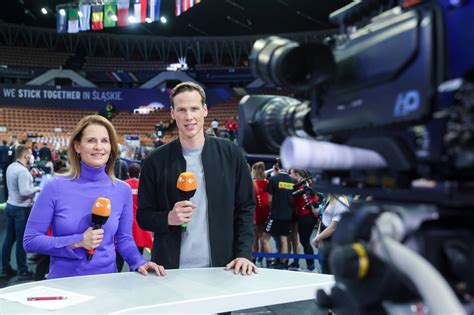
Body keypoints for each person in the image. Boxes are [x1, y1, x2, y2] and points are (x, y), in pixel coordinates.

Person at [23, 115, 165, 279]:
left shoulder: (122, 190)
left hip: (106, 285)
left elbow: (124, 239)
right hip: (63, 286)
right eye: (91, 140)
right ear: (77, 146)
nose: (99, 147)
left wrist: (139, 262)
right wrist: (78, 241)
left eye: (105, 141)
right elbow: (31, 241)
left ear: (111, 147)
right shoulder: (55, 187)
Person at [137, 81, 257, 275]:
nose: (189, 116)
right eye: (182, 110)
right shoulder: (154, 160)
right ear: (172, 113)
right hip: (168, 271)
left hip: (223, 267)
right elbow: (143, 217)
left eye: (194, 108)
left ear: (205, 110)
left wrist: (243, 253)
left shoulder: (230, 153)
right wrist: (169, 217)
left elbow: (246, 208)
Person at [1, 145, 41, 278]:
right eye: (30, 154)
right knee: (21, 240)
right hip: (21, 209)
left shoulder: (12, 167)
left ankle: (5, 267)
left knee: (9, 239)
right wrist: (37, 188)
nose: (31, 157)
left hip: (11, 206)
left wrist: (30, 176)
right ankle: (23, 269)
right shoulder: (23, 171)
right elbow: (24, 192)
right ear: (25, 155)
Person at [116, 163, 153, 272]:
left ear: (128, 173)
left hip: (124, 225)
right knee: (138, 261)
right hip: (140, 226)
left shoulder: (123, 185)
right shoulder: (144, 186)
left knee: (119, 258)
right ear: (140, 173)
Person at [262, 159, 295, 269]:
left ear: (277, 166)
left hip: (275, 214)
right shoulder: (292, 180)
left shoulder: (273, 179)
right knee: (284, 239)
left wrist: (273, 209)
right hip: (287, 214)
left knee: (264, 239)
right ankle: (283, 263)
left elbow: (269, 200)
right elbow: (292, 198)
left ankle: (270, 262)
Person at [290, 169, 320, 272]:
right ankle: (310, 266)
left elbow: (294, 202)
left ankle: (311, 267)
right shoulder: (307, 184)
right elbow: (315, 198)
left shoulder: (302, 186)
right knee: (305, 241)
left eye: (292, 173)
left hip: (305, 217)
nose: (290, 175)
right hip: (309, 216)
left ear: (297, 174)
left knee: (305, 241)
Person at [312, 194, 349, 274]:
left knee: (330, 271)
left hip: (333, 240)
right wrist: (319, 236)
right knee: (324, 267)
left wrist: (317, 238)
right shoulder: (329, 199)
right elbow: (323, 220)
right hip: (325, 238)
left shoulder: (341, 201)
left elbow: (333, 227)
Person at [251, 161, 272, 267]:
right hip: (265, 212)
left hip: (256, 213)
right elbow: (269, 200)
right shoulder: (267, 182)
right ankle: (262, 259)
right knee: (262, 238)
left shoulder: (252, 183)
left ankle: (255, 259)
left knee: (256, 238)